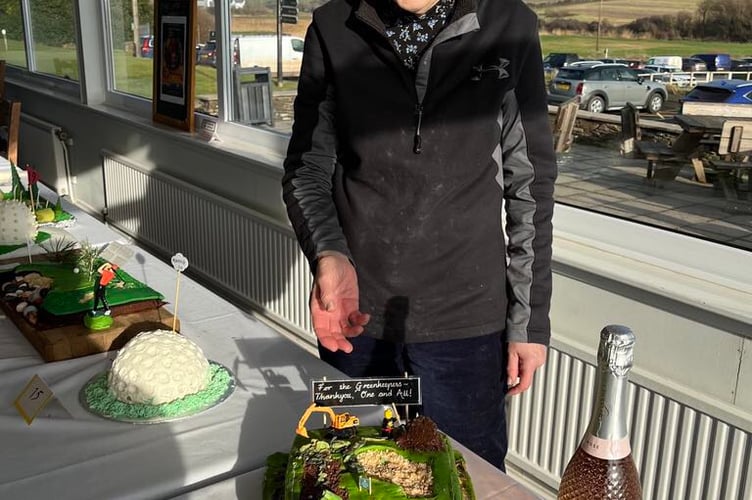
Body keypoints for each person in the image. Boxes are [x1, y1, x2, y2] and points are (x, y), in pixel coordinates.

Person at [282, 0, 556, 471]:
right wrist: (329, 256)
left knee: (466, 476)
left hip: (468, 321)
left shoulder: (510, 25)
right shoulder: (333, 26)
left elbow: (530, 184)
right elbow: (306, 169)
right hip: (356, 315)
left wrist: (529, 322)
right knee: (352, 473)